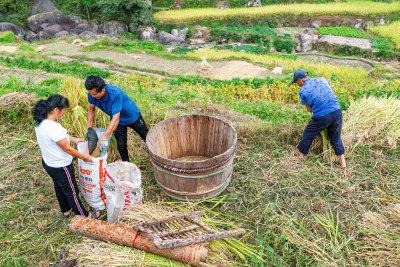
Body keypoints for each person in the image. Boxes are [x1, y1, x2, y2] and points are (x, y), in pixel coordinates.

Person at [33, 94, 99, 219]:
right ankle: (85, 216)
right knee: (72, 192)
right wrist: (84, 157)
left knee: (59, 186)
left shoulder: (40, 121)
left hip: (48, 163)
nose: (63, 113)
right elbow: (66, 148)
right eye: (63, 110)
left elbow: (57, 139)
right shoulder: (54, 127)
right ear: (56, 110)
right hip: (61, 166)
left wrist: (74, 139)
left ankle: (66, 210)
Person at [84, 75, 149, 162]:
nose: (92, 96)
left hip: (132, 116)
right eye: (91, 94)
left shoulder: (114, 94)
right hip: (118, 121)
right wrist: (89, 128)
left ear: (103, 89)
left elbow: (115, 119)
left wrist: (104, 138)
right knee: (121, 145)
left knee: (147, 138)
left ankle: (158, 157)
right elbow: (91, 110)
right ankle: (126, 164)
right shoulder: (92, 95)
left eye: (95, 94)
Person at [290, 69, 346, 168]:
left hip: (322, 116)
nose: (297, 84)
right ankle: (343, 163)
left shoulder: (302, 91)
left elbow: (309, 110)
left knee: (308, 133)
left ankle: (300, 154)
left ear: (300, 80)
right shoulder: (323, 79)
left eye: (296, 82)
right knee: (335, 137)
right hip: (337, 112)